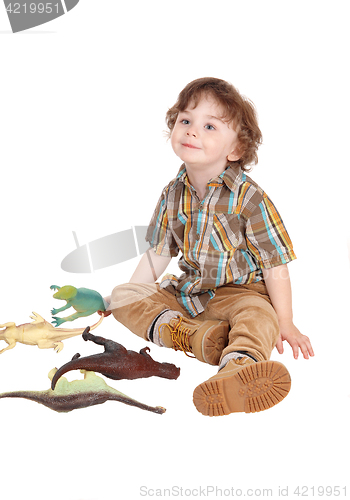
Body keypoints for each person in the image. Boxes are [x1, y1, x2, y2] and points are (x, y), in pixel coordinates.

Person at [106, 77, 314, 416]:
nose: (191, 131)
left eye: (209, 126)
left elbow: (275, 263)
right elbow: (159, 253)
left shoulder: (249, 198)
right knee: (121, 297)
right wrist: (128, 296)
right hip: (188, 295)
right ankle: (197, 337)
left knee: (261, 317)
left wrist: (286, 321)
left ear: (235, 150)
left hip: (242, 293)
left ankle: (238, 367)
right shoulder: (173, 193)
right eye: (185, 121)